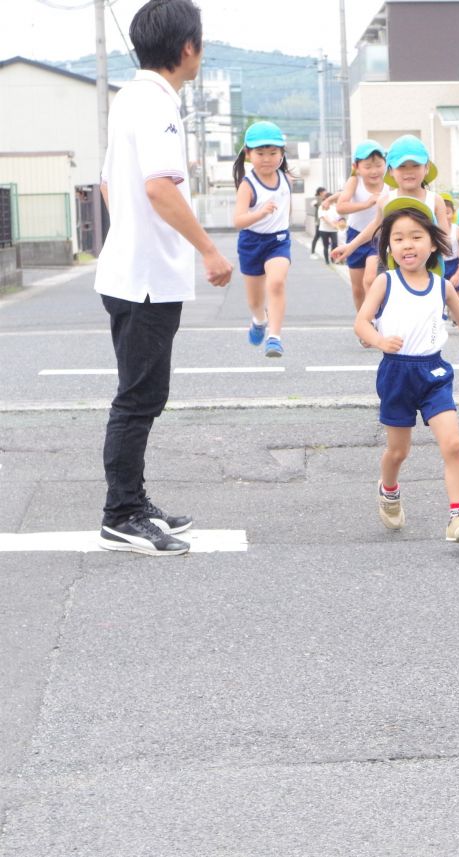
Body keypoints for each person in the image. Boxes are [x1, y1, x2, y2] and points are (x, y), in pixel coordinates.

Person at [94, 0, 232, 557]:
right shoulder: (161, 106)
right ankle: (121, 515)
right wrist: (209, 251)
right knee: (138, 398)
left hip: (127, 269)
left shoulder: (129, 98)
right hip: (147, 278)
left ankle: (133, 501)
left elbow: (108, 185)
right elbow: (159, 187)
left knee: (142, 395)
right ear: (186, 48)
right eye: (200, 43)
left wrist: (131, 231)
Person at [354, 197, 459, 543]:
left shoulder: (441, 286)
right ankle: (388, 490)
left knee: (452, 444)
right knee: (398, 451)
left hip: (434, 373)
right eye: (399, 238)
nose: (408, 244)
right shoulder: (384, 283)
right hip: (396, 372)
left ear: (433, 242)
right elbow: (361, 322)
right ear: (389, 245)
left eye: (416, 236)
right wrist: (378, 341)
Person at [335, 135, 450, 299]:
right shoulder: (386, 200)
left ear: (426, 168)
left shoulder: (435, 200)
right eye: (401, 166)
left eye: (415, 165)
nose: (408, 171)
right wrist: (350, 247)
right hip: (395, 264)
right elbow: (375, 226)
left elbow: (443, 235)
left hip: (428, 267)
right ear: (391, 171)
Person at [233, 120, 292, 358]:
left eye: (273, 153)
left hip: (278, 242)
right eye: (260, 153)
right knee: (255, 301)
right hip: (251, 242)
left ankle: (274, 338)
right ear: (248, 154)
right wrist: (260, 213)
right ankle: (259, 321)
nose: (267, 158)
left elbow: (287, 208)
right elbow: (238, 220)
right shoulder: (247, 185)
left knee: (276, 282)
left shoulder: (286, 178)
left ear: (281, 154)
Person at [332, 140, 387, 310]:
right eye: (368, 166)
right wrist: (367, 204)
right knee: (357, 289)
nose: (374, 171)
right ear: (356, 166)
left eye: (378, 165)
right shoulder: (354, 181)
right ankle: (363, 323)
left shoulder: (390, 185)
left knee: (370, 280)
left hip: (378, 237)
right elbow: (341, 207)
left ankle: (375, 320)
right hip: (355, 235)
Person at [440, 193, 459, 304]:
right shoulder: (433, 230)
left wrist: (458, 274)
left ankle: (458, 321)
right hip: (439, 264)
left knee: (458, 300)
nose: (444, 216)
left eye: (447, 212)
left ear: (453, 213)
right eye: (441, 212)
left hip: (454, 265)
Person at [317, 191, 340, 267]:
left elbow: (338, 217)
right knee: (326, 245)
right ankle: (327, 260)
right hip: (324, 230)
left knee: (335, 244)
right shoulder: (322, 207)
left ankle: (333, 259)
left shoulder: (334, 207)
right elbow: (324, 217)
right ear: (326, 199)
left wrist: (337, 222)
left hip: (333, 230)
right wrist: (332, 224)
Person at [309, 187, 327, 259]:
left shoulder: (324, 199)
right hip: (319, 222)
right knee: (317, 237)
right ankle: (313, 252)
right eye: (324, 192)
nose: (325, 193)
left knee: (319, 237)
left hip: (324, 222)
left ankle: (314, 252)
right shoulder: (318, 199)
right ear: (321, 193)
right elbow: (313, 203)